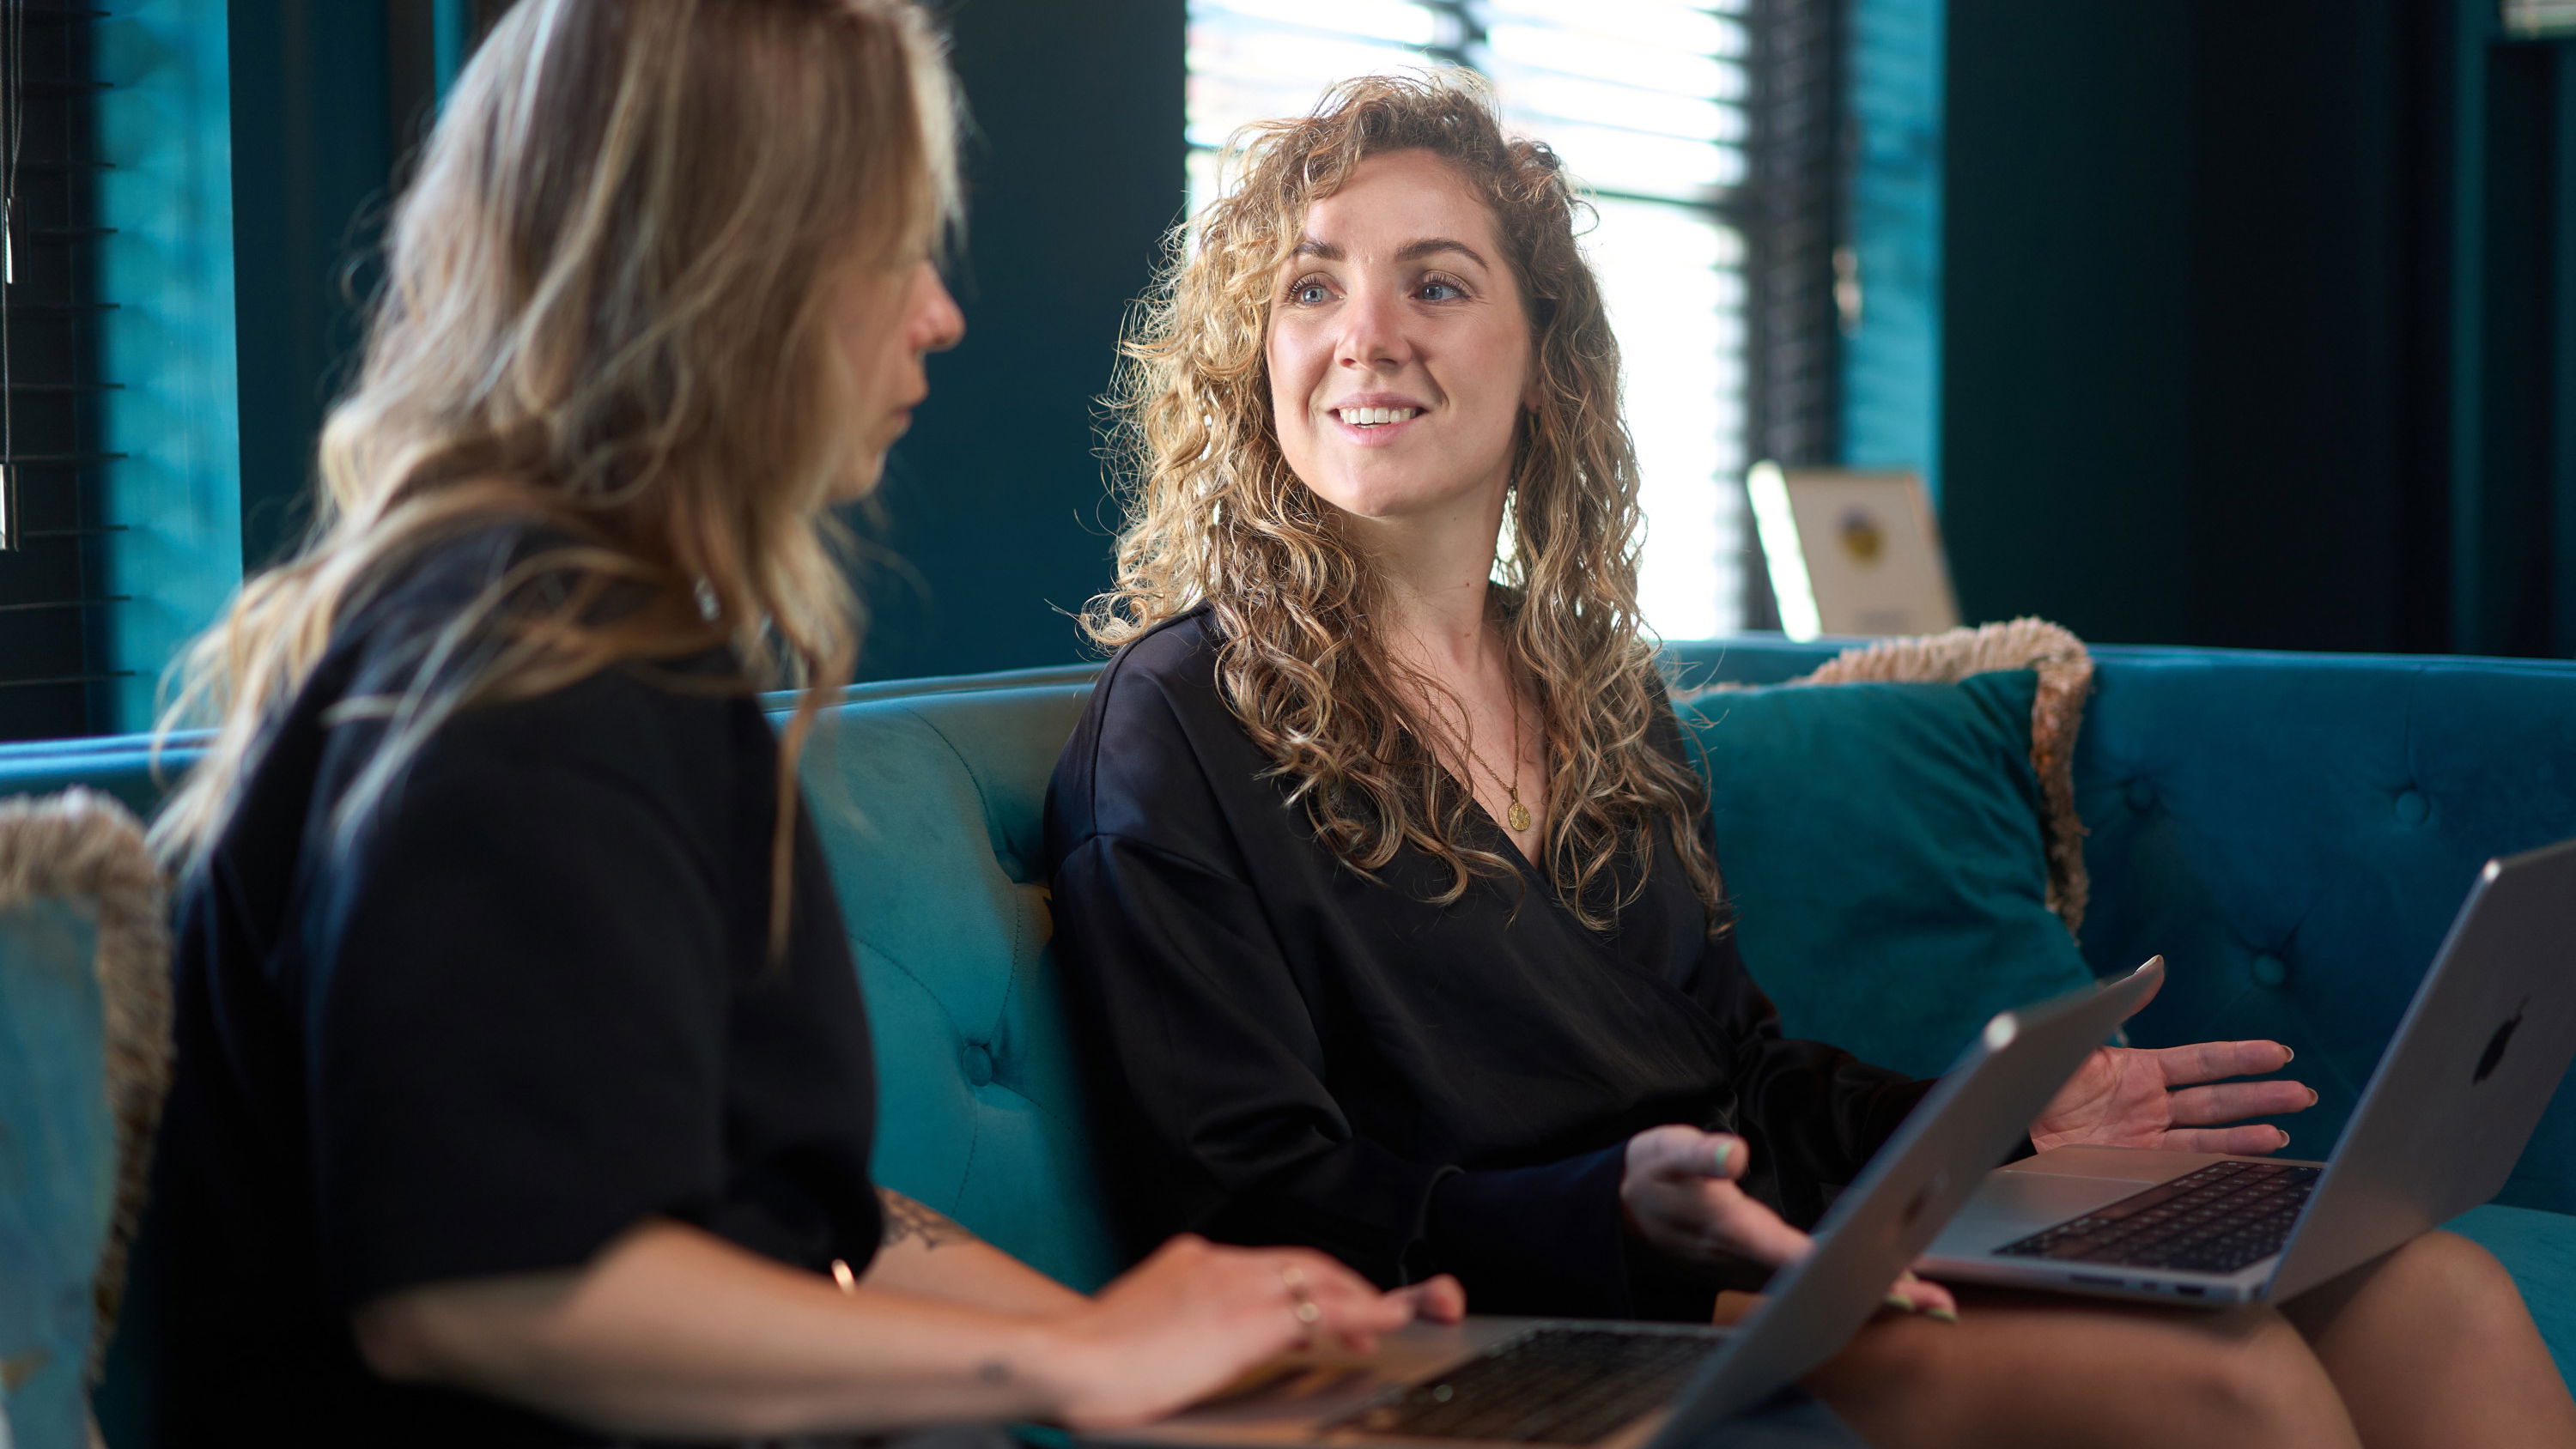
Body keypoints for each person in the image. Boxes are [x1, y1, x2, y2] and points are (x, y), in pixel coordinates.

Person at [1044, 71, 2576, 1449]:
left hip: (1754, 1253)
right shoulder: (1176, 727)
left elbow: (1745, 1073)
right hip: (1528, 1314)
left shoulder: (1593, 690)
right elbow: (1246, 1197)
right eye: (1311, 286)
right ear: (1255, 350)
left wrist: (2007, 1125)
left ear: (1547, 361)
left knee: (2437, 1296)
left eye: (1435, 285)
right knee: (2228, 1387)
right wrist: (1613, 1216)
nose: (1366, 335)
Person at [141, 4, 1456, 1444]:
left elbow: (770, 1214)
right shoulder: (515, 667)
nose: (938, 312)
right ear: (727, 270)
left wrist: (1134, 1344)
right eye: (891, 250)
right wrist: (1071, 1373)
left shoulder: (607, 636)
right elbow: (486, 1286)